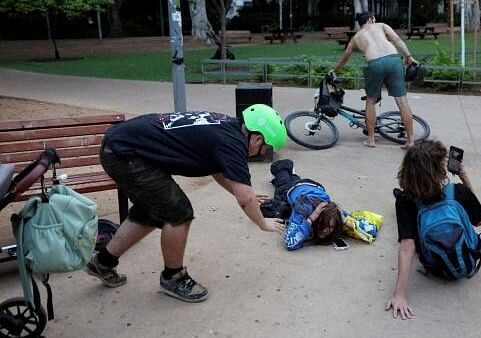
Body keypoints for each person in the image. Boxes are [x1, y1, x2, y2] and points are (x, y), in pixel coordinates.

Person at [86, 104, 288, 303]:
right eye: (265, 148)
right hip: (126, 154)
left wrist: (242, 192)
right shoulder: (233, 143)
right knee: (178, 212)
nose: (262, 153)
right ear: (257, 137)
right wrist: (263, 223)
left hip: (121, 144)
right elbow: (246, 199)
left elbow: (218, 169)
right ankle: (173, 278)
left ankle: (103, 263)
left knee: (149, 211)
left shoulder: (227, 127)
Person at [387, 140, 481, 319]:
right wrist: (464, 178)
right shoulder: (458, 191)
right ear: (439, 171)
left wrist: (399, 295)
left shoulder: (405, 201)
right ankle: (478, 240)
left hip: (433, 265)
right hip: (468, 259)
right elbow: (479, 221)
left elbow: (407, 245)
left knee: (411, 228)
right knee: (468, 227)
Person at [329, 12, 419, 148]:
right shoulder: (381, 26)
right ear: (371, 19)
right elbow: (396, 40)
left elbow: (344, 58)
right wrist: (409, 56)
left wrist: (334, 70)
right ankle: (411, 141)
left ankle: (371, 140)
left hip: (374, 64)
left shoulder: (356, 37)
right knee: (402, 102)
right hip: (393, 60)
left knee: (370, 101)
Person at [257, 159, 347, 250]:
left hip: (311, 186)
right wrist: (310, 219)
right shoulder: (303, 209)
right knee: (282, 186)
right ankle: (282, 166)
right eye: (322, 224)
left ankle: (292, 175)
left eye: (330, 227)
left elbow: (361, 227)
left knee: (293, 183)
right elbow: (290, 242)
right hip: (290, 190)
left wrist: (346, 222)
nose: (325, 231)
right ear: (318, 216)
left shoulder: (333, 213)